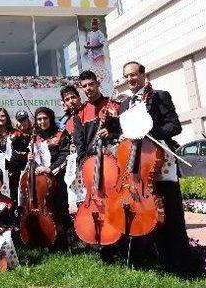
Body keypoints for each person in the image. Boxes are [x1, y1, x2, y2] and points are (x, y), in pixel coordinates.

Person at [120, 61, 202, 277]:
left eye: (133, 74)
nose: (130, 79)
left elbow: (174, 125)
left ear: (143, 74)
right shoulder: (125, 104)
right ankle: (158, 262)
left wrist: (149, 132)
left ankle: (183, 267)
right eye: (126, 76)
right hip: (138, 167)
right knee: (149, 217)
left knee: (172, 217)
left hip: (160, 162)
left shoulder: (159, 96)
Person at [27, 107, 71, 245]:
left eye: (45, 118)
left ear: (51, 119)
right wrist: (30, 158)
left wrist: (50, 169)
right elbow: (33, 161)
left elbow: (65, 156)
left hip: (58, 178)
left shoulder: (60, 134)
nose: (42, 121)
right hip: (41, 181)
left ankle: (64, 240)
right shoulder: (35, 138)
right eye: (39, 119)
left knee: (60, 208)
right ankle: (45, 237)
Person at [73, 70, 121, 165]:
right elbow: (80, 145)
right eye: (84, 86)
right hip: (92, 161)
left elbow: (125, 132)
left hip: (115, 157)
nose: (88, 88)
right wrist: (83, 165)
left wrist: (111, 134)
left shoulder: (114, 105)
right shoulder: (79, 114)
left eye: (91, 84)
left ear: (97, 83)